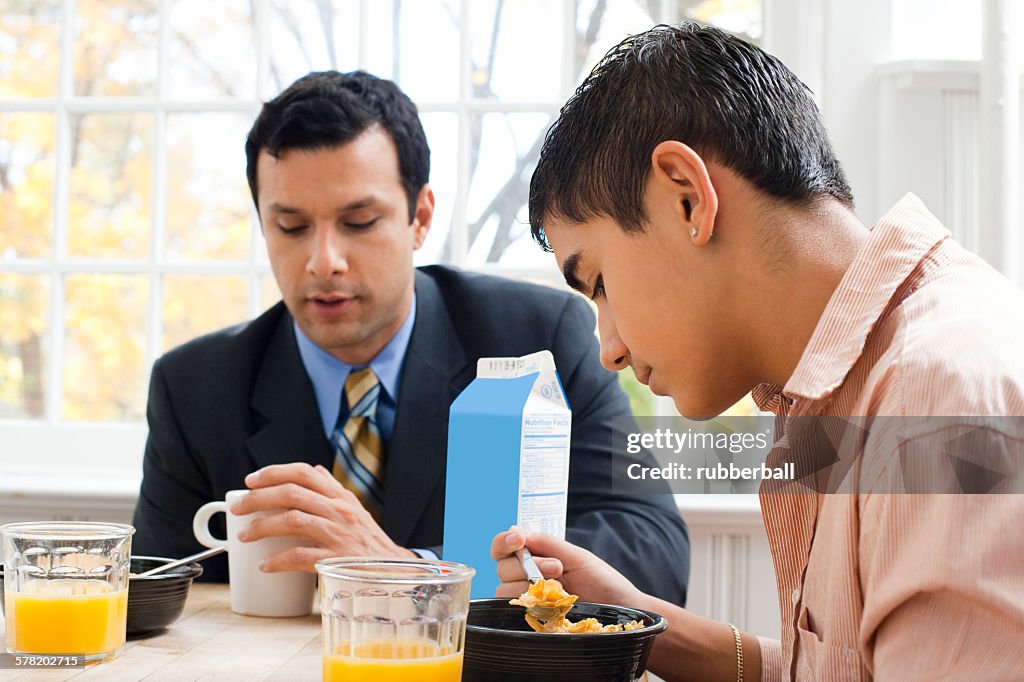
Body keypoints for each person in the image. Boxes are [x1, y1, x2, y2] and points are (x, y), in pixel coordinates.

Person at [491, 22, 1024, 682]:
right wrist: (627, 618)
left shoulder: (937, 396)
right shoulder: (832, 389)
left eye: (600, 282)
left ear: (688, 195)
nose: (611, 350)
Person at [130, 70, 690, 606]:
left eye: (359, 222)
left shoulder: (538, 339)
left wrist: (410, 573)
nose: (324, 262)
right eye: (291, 227)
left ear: (420, 217)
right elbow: (157, 596)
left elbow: (652, 550)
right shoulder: (195, 387)